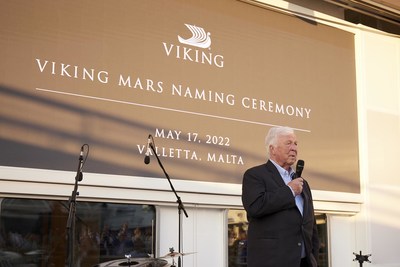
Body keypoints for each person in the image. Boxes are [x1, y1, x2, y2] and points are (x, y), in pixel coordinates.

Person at [241, 126, 319, 267]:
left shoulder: (303, 183)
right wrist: (289, 191)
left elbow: (311, 225)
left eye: (296, 143)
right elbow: (255, 207)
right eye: (288, 143)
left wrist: (313, 258)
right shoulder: (255, 175)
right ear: (272, 148)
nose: (294, 148)